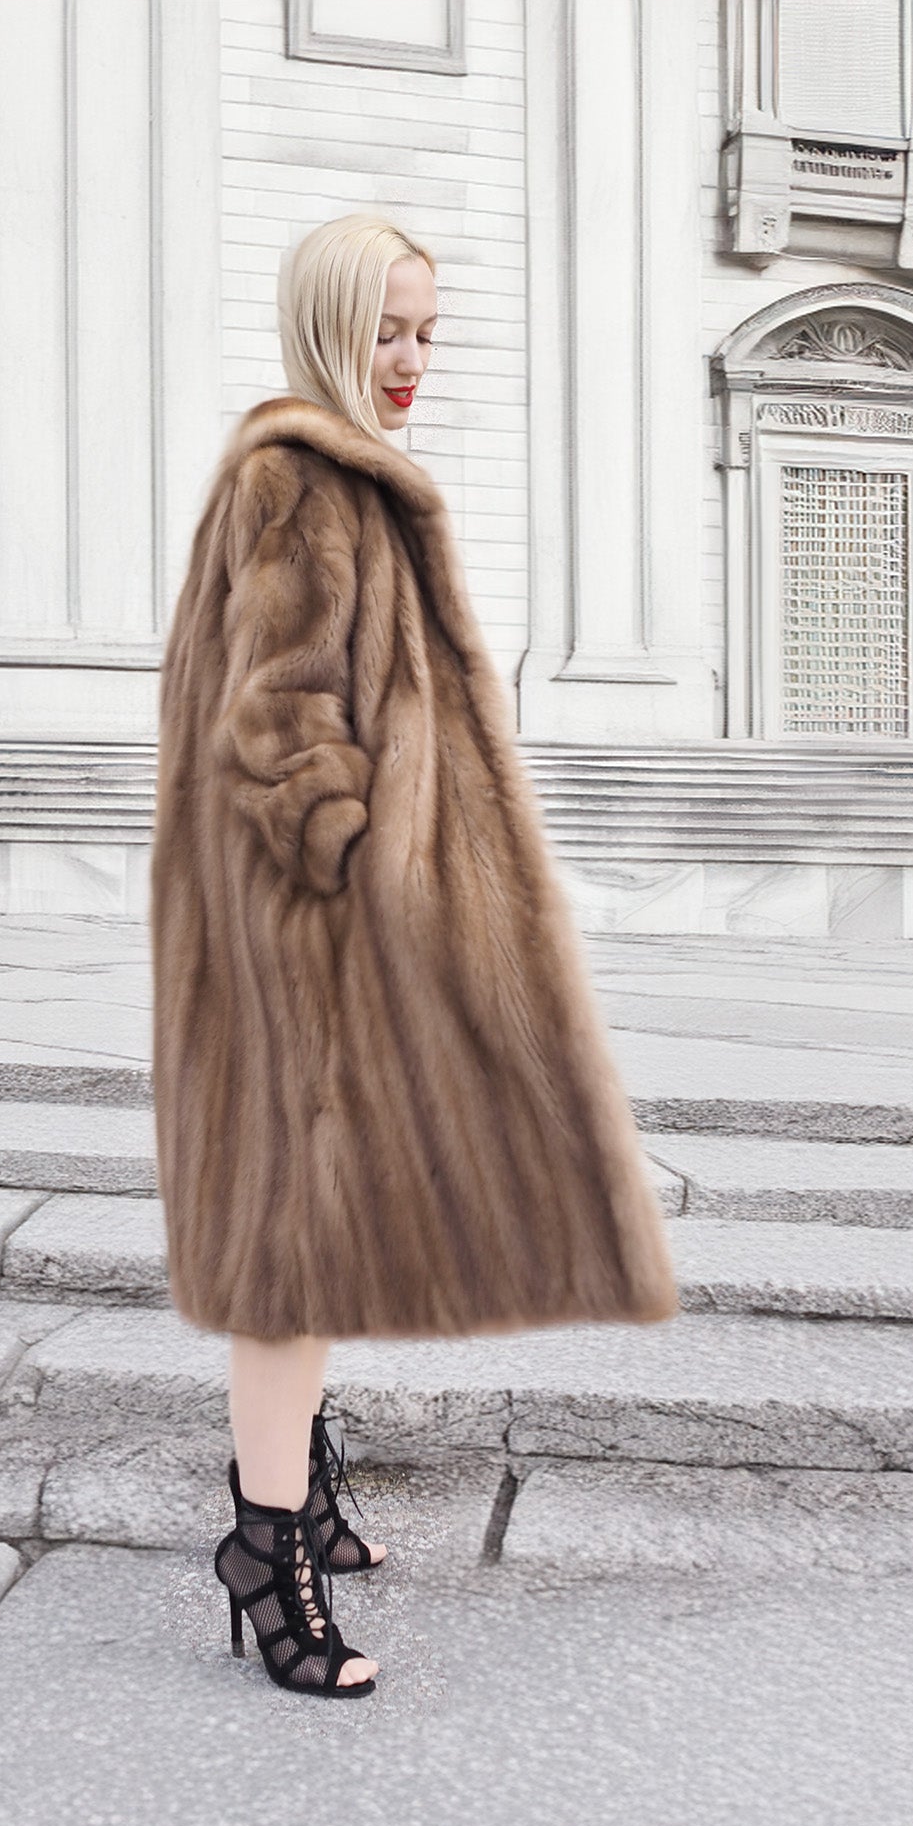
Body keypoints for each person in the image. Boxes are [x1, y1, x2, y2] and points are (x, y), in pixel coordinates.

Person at [149, 211, 676, 1701]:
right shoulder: (297, 481)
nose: (411, 360)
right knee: (292, 1251)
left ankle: (298, 1488)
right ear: (326, 323)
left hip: (320, 933)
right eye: (388, 328)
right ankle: (265, 1559)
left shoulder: (325, 473)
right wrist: (358, 869)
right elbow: (277, 725)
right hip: (308, 943)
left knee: (320, 1231)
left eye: (429, 332)